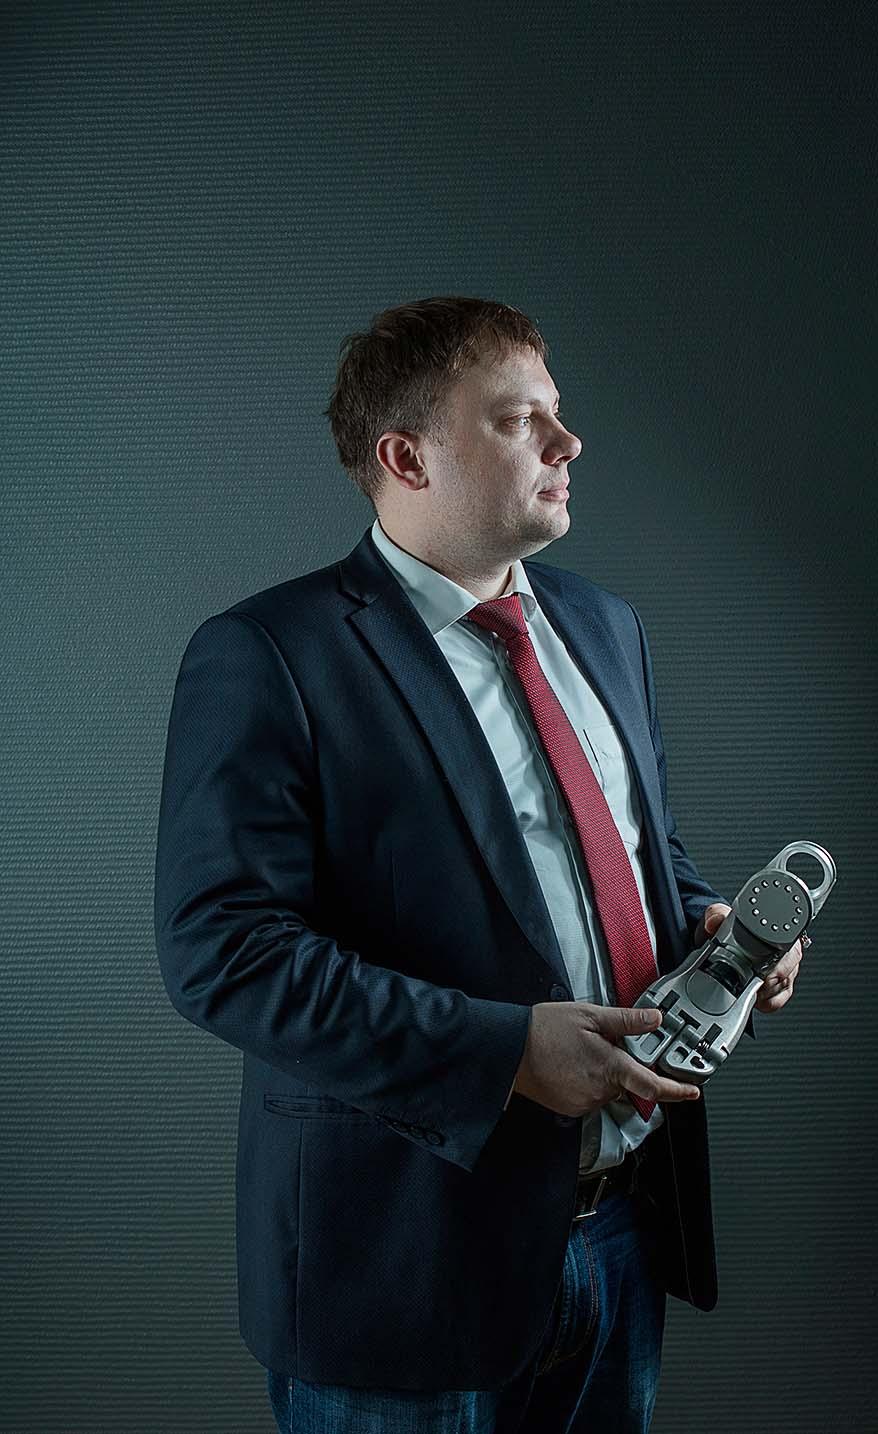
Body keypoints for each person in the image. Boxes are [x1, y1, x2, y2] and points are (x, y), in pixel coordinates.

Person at [153, 296, 803, 1433]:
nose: (568, 442)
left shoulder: (603, 627)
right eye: (518, 421)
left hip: (618, 1234)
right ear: (406, 458)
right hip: (400, 1268)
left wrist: (711, 927)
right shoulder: (270, 656)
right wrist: (501, 1054)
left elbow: (634, 846)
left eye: (557, 412)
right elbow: (224, 953)